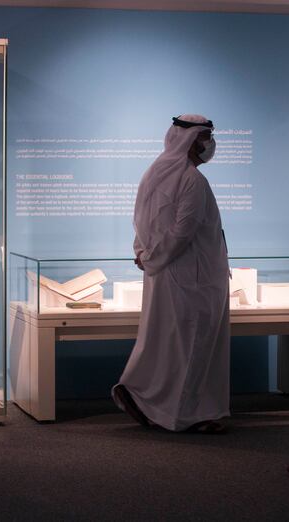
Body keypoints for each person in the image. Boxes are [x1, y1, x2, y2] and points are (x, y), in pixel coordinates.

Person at [112, 114, 230, 434]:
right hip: (192, 277)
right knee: (193, 345)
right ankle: (184, 414)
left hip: (163, 272)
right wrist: (152, 256)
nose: (210, 145)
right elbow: (183, 230)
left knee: (166, 342)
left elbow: (139, 222)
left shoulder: (154, 173)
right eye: (204, 138)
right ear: (190, 141)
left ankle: (145, 394)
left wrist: (145, 255)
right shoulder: (192, 179)